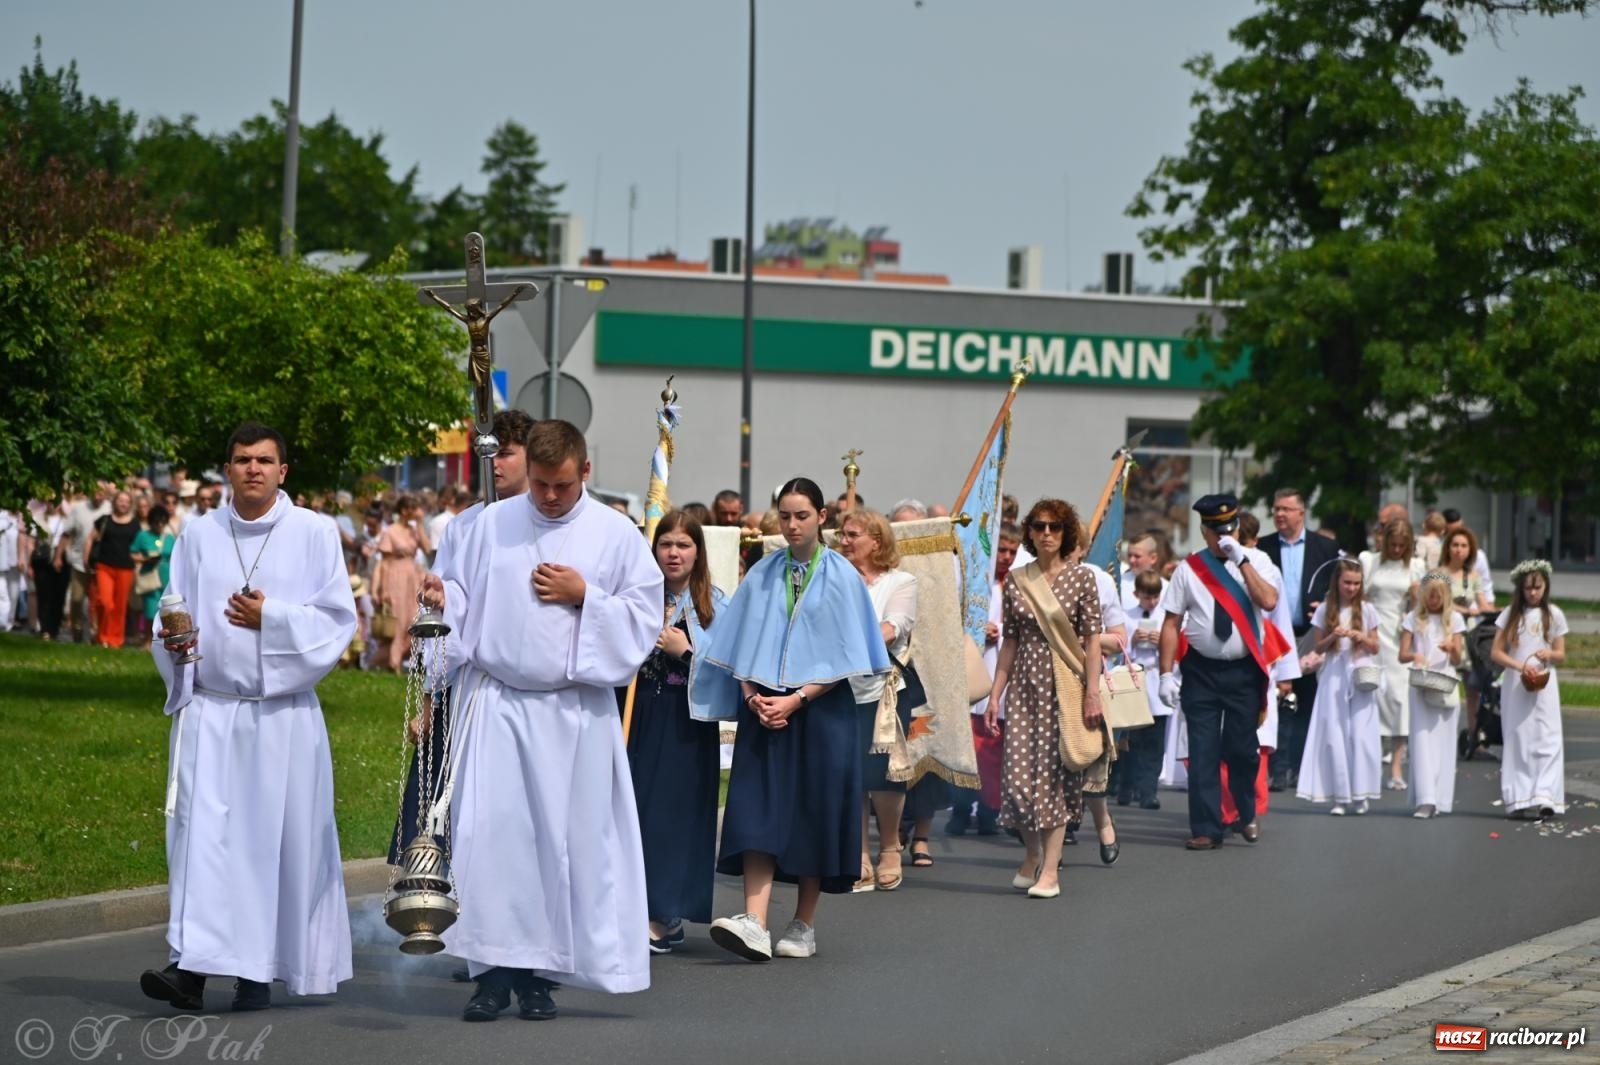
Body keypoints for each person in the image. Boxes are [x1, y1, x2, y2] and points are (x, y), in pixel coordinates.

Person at [421, 419, 661, 1020]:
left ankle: (540, 979)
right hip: (498, 703)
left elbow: (641, 617)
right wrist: (443, 600)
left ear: (585, 472)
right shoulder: (488, 525)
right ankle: (492, 976)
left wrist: (587, 595)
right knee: (494, 841)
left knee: (564, 846)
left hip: (573, 711)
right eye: (538, 485)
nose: (548, 497)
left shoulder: (615, 534)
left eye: (559, 485)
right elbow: (465, 597)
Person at [141, 422, 357, 1013]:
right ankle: (190, 970)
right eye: (242, 460)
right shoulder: (200, 533)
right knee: (203, 844)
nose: (253, 469)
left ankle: (258, 972)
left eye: (265, 460)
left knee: (270, 847)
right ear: (227, 470)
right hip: (211, 712)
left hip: (280, 719)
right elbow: (174, 607)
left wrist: (275, 619)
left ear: (283, 471)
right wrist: (174, 643)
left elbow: (339, 620)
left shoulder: (314, 533)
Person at [693, 477, 888, 961]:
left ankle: (803, 923)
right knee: (757, 807)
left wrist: (797, 699)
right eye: (785, 515)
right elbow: (737, 640)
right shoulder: (762, 572)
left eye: (802, 515)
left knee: (813, 812)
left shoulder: (842, 575)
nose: (793, 524)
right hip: (763, 705)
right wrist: (751, 692)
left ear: (823, 517)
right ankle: (755, 921)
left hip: (821, 711)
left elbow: (848, 654)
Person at [984, 499, 1109, 896]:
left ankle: (1051, 871)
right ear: (1030, 533)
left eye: (1055, 527)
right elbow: (1010, 642)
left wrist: (1092, 692)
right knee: (1018, 781)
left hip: (1066, 686)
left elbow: (1091, 642)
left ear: (1066, 532)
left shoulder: (1082, 578)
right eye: (1039, 527)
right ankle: (1033, 854)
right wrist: (994, 694)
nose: (1047, 533)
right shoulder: (1017, 579)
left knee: (1055, 781)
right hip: (1023, 687)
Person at [619, 511, 727, 952]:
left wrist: (687, 652)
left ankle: (666, 912)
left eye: (683, 545)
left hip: (687, 721)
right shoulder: (640, 597)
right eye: (666, 544)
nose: (674, 553)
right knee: (635, 810)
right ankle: (631, 906)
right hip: (639, 712)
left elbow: (727, 667)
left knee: (673, 815)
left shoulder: (715, 603)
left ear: (697, 552)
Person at [1158, 494, 1289, 851]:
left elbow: (1270, 602)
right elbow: (1171, 623)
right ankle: (1206, 827)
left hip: (1243, 672)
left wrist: (1241, 560)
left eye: (1228, 529)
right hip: (1201, 670)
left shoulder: (1258, 561)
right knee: (1202, 750)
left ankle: (1245, 811)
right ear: (1204, 532)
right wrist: (1165, 674)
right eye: (1216, 531)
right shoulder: (1189, 569)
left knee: (1242, 750)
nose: (1222, 536)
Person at [837, 508, 919, 892]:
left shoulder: (901, 581)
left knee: (884, 776)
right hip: (837, 686)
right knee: (849, 775)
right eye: (842, 534)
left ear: (877, 541)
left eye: (853, 534)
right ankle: (857, 853)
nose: (844, 540)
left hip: (884, 687)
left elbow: (894, 627)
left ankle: (889, 847)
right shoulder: (834, 578)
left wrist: (847, 638)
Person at [1257, 487, 1341, 791]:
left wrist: (1327, 605)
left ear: (1301, 513)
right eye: (1276, 509)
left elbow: (1342, 587)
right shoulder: (1263, 547)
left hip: (1311, 634)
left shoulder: (1325, 548)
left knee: (1306, 701)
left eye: (1286, 509)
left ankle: (1299, 765)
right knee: (1279, 701)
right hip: (1276, 635)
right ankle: (1279, 769)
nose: (1280, 514)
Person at [948, 521, 1021, 835]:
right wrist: (976, 630)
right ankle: (962, 808)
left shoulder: (1017, 585)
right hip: (975, 670)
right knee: (969, 748)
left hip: (1004, 674)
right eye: (1001, 550)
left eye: (1012, 552)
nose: (1005, 557)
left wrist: (1000, 630)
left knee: (994, 750)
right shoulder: (974, 583)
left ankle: (991, 810)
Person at [1295, 560, 1381, 815]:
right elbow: (1317, 647)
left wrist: (1360, 636)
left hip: (1360, 672)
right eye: (1347, 583)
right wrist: (1335, 635)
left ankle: (1361, 792)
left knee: (1360, 735)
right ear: (1337, 582)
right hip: (1334, 672)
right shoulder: (1324, 609)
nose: (1352, 588)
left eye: (1356, 583)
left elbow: (1376, 647)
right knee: (1335, 734)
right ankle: (1340, 796)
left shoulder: (1367, 609)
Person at [1489, 559, 1567, 820]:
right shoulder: (1511, 614)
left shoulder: (1554, 614)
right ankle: (1519, 797)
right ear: (1520, 589)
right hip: (1516, 684)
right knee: (1519, 738)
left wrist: (1550, 653)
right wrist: (1520, 665)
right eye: (1528, 589)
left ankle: (1546, 795)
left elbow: (1561, 654)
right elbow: (1496, 652)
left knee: (1548, 737)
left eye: (1538, 588)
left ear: (1545, 587)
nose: (1533, 593)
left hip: (1545, 684)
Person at [1361, 519, 1425, 791]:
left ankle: (1397, 766)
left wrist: (1415, 596)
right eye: (1393, 544)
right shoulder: (1370, 562)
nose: (1397, 549)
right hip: (1375, 634)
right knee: (1374, 698)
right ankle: (1371, 763)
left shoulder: (1417, 566)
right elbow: (1360, 597)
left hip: (1401, 636)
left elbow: (1425, 606)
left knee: (1400, 700)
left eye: (1402, 545)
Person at [1399, 571, 1466, 818]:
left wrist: (1451, 648)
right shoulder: (1413, 618)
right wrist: (1415, 656)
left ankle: (1440, 797)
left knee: (1443, 743)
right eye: (1430, 596)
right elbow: (1402, 653)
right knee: (1421, 740)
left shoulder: (1455, 620)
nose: (1434, 600)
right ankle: (1425, 799)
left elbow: (1458, 658)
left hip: (1445, 682)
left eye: (1438, 596)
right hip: (1422, 683)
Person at [1121, 568, 1170, 809]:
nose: (1150, 602)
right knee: (1131, 742)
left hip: (1156, 680)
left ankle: (1148, 791)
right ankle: (1126, 787)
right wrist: (1132, 641)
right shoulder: (1127, 616)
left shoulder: (1165, 617)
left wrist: (1161, 642)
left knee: (1154, 742)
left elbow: (1175, 649)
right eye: (1145, 596)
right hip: (1133, 680)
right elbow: (1118, 651)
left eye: (1154, 596)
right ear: (1136, 594)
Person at [372, 494, 432, 672]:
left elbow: (428, 548)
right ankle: (393, 662)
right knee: (397, 620)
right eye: (413, 509)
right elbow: (383, 563)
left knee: (412, 619)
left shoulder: (414, 530)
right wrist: (379, 589)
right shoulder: (390, 531)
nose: (417, 512)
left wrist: (420, 524)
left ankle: (398, 659)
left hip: (412, 577)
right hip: (395, 576)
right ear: (405, 510)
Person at [84, 490, 140, 649]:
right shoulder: (104, 520)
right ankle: (102, 636)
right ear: (114, 502)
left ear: (130, 504)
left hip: (125, 568)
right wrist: (86, 558)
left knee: (120, 606)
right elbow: (90, 539)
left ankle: (116, 639)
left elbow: (137, 548)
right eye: (120, 500)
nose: (123, 504)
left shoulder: (135, 524)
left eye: (126, 501)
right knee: (104, 602)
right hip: (104, 566)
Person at [130, 505, 178, 650]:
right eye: (156, 522)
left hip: (166, 576)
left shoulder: (170, 537)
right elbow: (133, 553)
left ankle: (162, 641)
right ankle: (147, 639)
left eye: (162, 522)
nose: (159, 525)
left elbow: (176, 557)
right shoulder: (143, 535)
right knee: (150, 610)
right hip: (150, 575)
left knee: (165, 610)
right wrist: (144, 560)